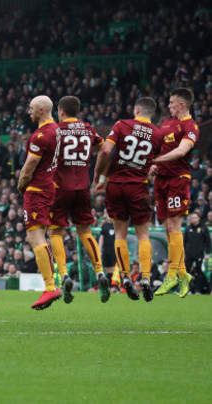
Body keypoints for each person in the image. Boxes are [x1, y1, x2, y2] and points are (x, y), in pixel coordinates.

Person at [93, 97, 164, 302]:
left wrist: (100, 178)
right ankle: (146, 278)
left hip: (116, 185)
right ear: (152, 113)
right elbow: (156, 163)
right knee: (143, 235)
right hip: (138, 187)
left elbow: (106, 150)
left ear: (136, 109)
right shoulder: (158, 134)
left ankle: (125, 277)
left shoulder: (122, 125)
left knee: (120, 235)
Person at [49, 96, 110, 304]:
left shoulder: (55, 130)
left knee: (56, 231)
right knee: (84, 231)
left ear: (61, 111)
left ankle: (64, 275)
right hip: (83, 187)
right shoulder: (88, 130)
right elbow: (105, 149)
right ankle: (100, 272)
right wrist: (100, 176)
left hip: (60, 188)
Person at [152, 88, 199, 298]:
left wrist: (154, 161)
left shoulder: (191, 126)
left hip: (178, 180)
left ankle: (171, 276)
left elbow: (181, 151)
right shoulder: (166, 123)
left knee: (174, 226)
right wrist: (154, 164)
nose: (169, 106)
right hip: (160, 181)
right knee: (167, 229)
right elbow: (159, 149)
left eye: (172, 103)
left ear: (181, 104)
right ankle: (183, 274)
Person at [17, 95, 62, 310]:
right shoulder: (58, 130)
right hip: (50, 186)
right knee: (38, 235)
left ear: (42, 109)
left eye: (31, 108)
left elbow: (28, 169)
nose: (29, 112)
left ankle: (51, 286)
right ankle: (52, 283)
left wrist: (20, 185)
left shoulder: (41, 136)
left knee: (35, 236)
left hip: (37, 189)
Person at [182, 212, 211, 294]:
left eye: (195, 217)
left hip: (199, 254)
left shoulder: (203, 228)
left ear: (199, 218)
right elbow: (184, 242)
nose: (194, 219)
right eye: (192, 217)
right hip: (189, 254)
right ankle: (187, 289)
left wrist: (207, 253)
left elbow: (208, 241)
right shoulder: (188, 228)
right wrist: (183, 253)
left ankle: (197, 290)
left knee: (199, 272)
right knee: (186, 272)